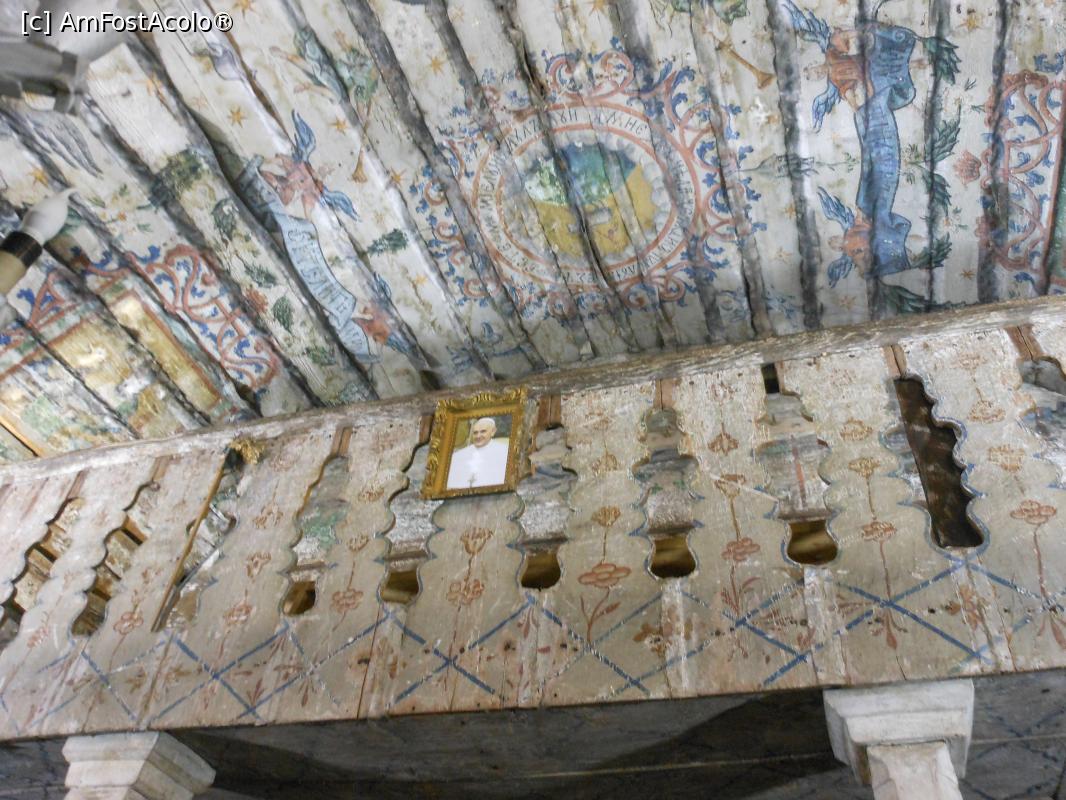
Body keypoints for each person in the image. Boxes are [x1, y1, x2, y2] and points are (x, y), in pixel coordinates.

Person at [446, 417, 510, 490]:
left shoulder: (504, 452)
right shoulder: (458, 455)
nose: (478, 436)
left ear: (493, 431)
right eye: (475, 433)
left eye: (483, 431)